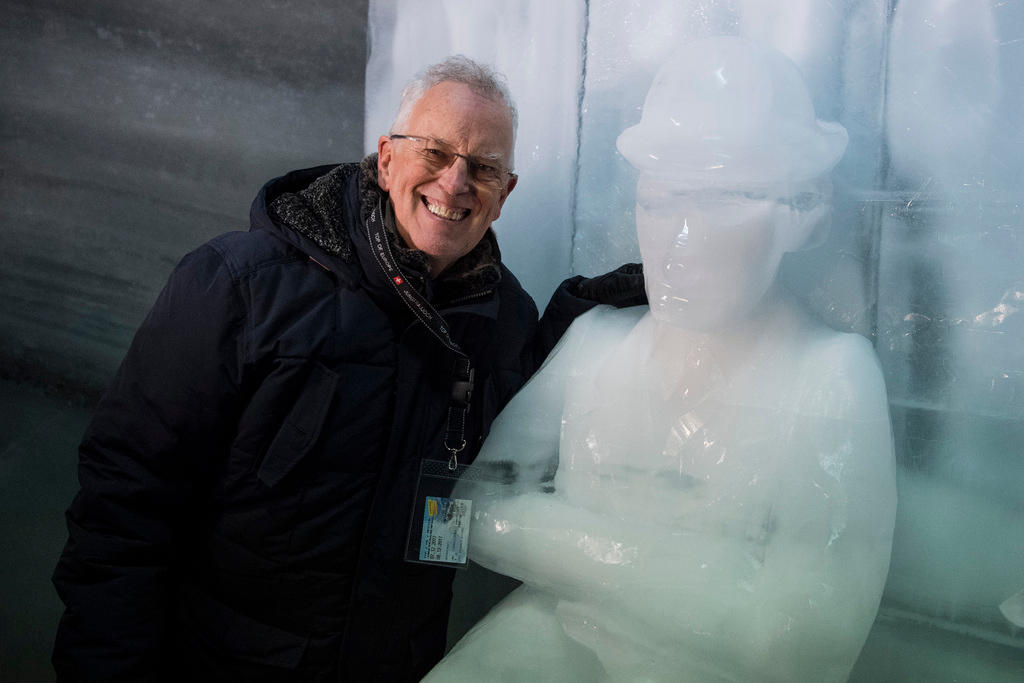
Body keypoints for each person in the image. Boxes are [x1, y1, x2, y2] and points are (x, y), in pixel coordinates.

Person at [52, 55, 642, 682]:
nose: (455, 182)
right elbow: (126, 501)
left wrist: (586, 317)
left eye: (483, 167)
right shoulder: (241, 285)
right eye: (436, 153)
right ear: (387, 159)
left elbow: (525, 424)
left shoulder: (504, 324)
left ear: (505, 194)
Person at [424, 37, 897, 682]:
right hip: (564, 635)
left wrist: (554, 539)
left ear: (805, 212)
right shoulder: (595, 343)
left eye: (721, 202)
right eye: (658, 202)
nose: (678, 243)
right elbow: (465, 512)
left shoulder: (829, 379)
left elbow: (802, 643)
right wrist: (712, 572)